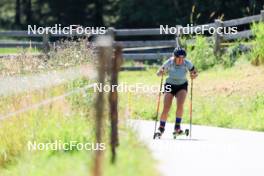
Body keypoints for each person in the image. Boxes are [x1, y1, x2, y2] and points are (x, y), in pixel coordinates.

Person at [156, 48, 198, 136]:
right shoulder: (169, 62)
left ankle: (177, 127)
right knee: (166, 107)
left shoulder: (187, 63)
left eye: (183, 58)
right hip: (169, 85)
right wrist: (161, 72)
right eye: (179, 58)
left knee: (180, 105)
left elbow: (195, 72)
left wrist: (194, 75)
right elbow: (158, 72)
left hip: (182, 85)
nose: (181, 60)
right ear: (174, 57)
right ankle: (161, 128)